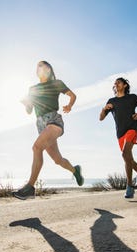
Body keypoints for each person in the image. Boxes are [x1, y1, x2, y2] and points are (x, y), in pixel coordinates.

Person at [13, 61, 84, 200]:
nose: (43, 70)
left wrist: (69, 105)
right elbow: (29, 111)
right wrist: (26, 104)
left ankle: (29, 188)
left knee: (36, 147)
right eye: (40, 68)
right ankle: (75, 170)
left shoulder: (56, 83)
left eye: (46, 68)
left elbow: (72, 95)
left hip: (54, 121)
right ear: (36, 71)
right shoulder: (32, 89)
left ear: (50, 71)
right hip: (40, 125)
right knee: (58, 160)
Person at [99, 77, 137, 198]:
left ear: (125, 85)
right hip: (120, 133)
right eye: (115, 83)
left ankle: (130, 187)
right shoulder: (111, 101)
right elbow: (101, 118)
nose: (116, 84)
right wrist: (104, 109)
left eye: (119, 82)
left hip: (132, 128)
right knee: (128, 158)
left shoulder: (132, 97)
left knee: (124, 154)